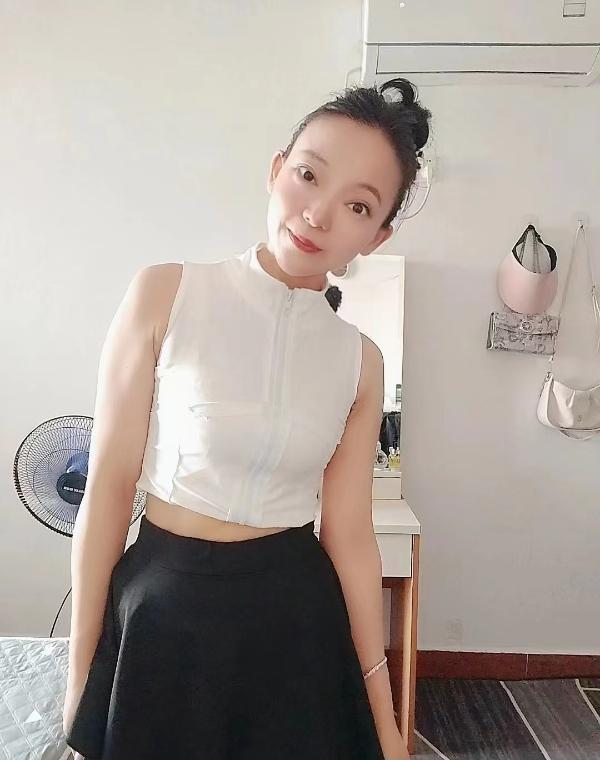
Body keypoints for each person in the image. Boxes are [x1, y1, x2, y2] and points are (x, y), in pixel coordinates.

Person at [63, 76, 432, 760]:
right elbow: (108, 489)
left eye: (357, 205)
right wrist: (81, 675)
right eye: (308, 175)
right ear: (275, 169)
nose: (318, 214)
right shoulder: (167, 293)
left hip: (295, 623)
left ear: (377, 236)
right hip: (161, 611)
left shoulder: (360, 360)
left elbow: (350, 537)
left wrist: (385, 719)